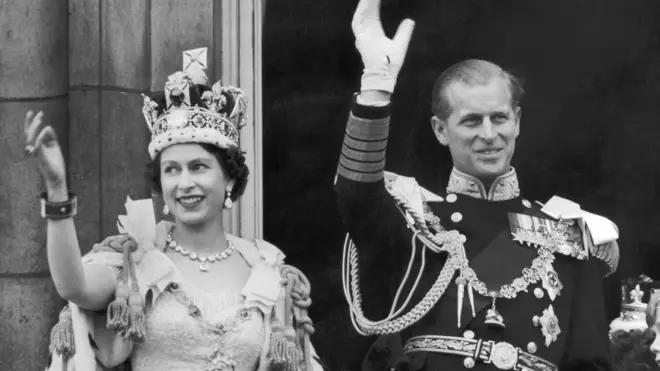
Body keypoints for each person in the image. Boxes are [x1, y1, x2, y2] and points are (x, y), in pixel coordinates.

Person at [335, 0, 621, 370]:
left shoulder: (569, 235)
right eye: (471, 121)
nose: (489, 135)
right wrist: (376, 85)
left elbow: (590, 362)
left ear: (516, 120)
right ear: (441, 130)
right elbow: (356, 195)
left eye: (499, 118)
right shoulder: (417, 223)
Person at [28, 48, 324, 371]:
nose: (184, 183)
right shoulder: (135, 261)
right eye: (171, 170)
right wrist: (57, 191)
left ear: (228, 178)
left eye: (198, 167)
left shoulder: (266, 269)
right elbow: (74, 286)